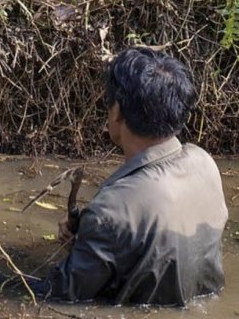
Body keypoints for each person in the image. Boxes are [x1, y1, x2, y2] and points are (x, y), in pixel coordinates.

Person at [32, 47, 227, 305]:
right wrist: (85, 240)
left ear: (117, 112)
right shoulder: (204, 162)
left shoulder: (111, 211)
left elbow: (60, 295)